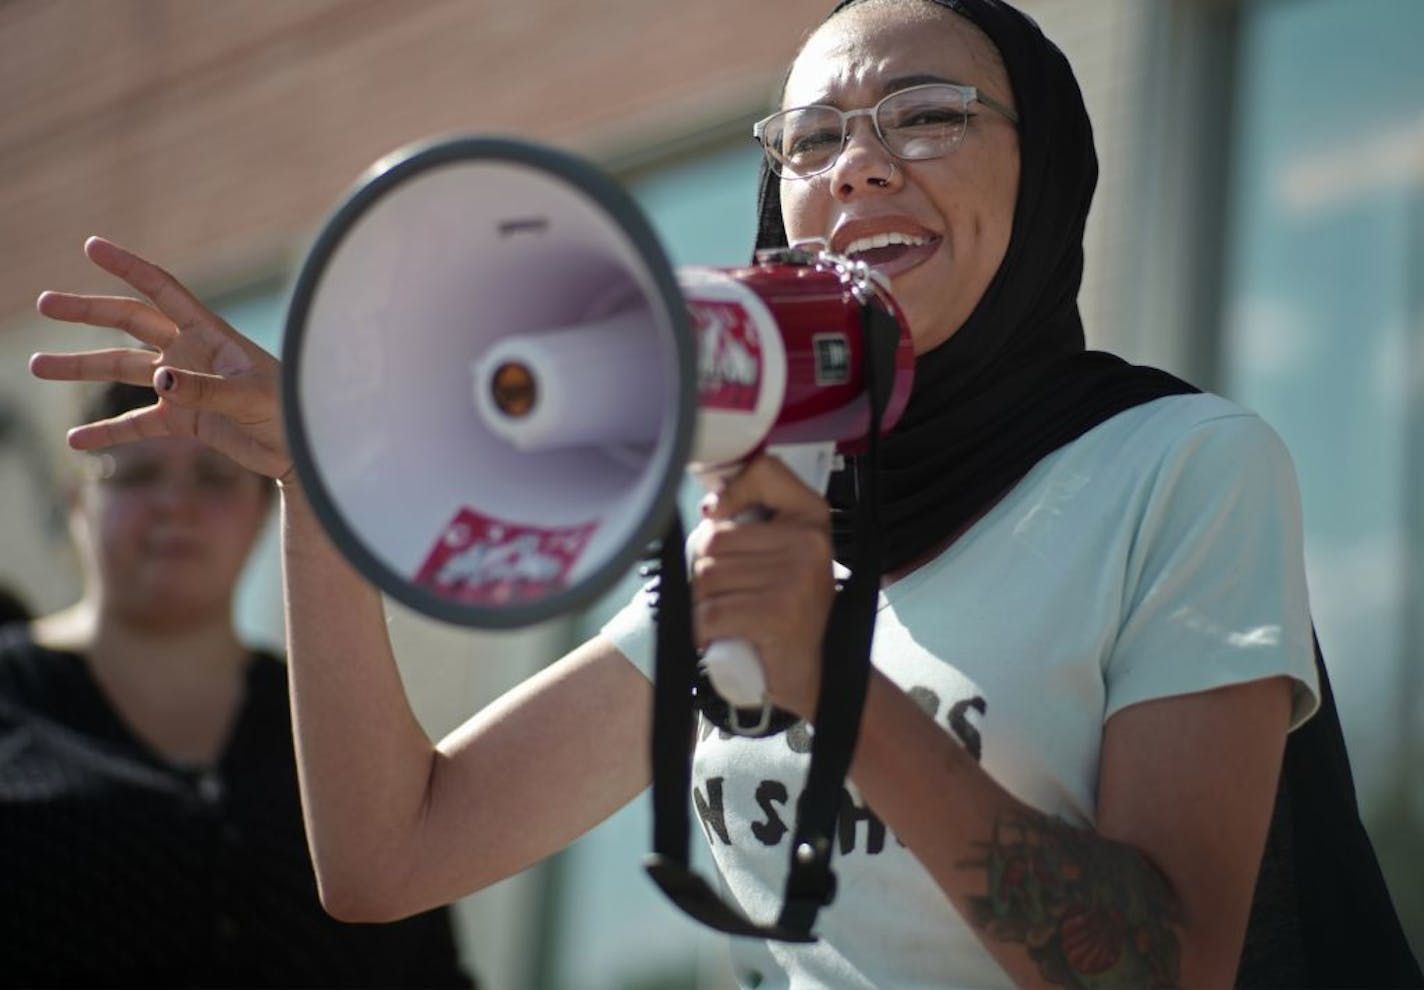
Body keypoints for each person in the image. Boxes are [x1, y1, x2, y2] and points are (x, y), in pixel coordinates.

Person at [27, 0, 1421, 987]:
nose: (859, 162)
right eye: (808, 140)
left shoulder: (1176, 467)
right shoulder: (761, 504)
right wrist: (321, 486)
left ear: (1044, 175)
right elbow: (393, 855)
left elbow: (1168, 967)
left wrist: (834, 684)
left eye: (930, 115)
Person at [0, 381, 474, 987]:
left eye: (214, 477)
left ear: (263, 511)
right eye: (136, 473)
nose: (176, 503)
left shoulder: (341, 718)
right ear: (74, 504)